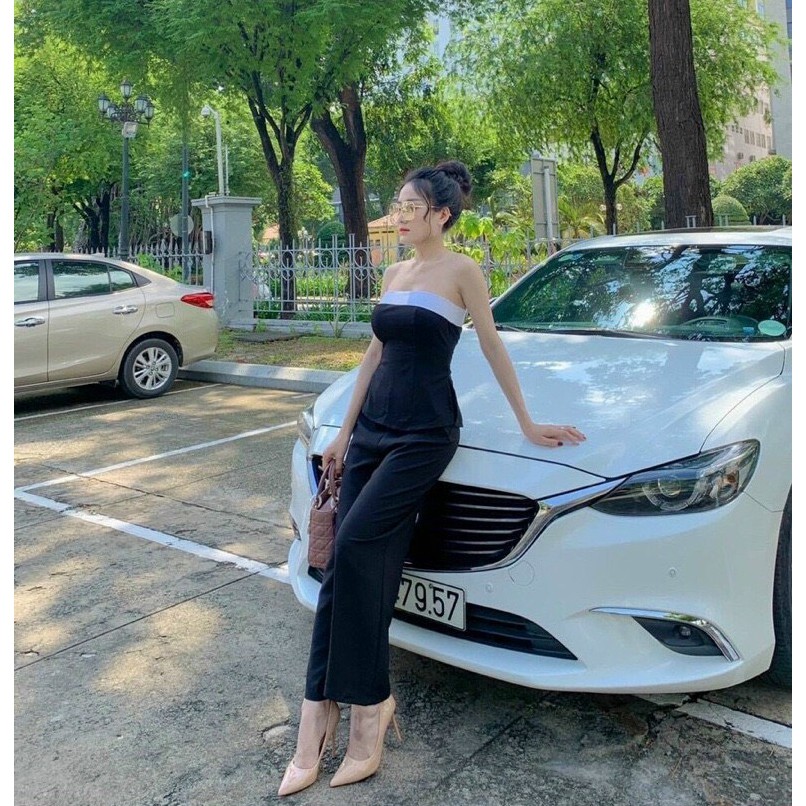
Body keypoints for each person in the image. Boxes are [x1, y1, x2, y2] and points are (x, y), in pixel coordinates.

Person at [278, 160, 587, 796]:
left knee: (355, 545)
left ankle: (368, 708)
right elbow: (374, 354)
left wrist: (528, 423)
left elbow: (492, 346)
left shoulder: (462, 270)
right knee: (341, 565)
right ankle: (319, 712)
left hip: (424, 432)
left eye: (411, 208)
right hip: (372, 431)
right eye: (398, 205)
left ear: (442, 214)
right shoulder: (394, 273)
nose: (400, 216)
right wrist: (342, 433)